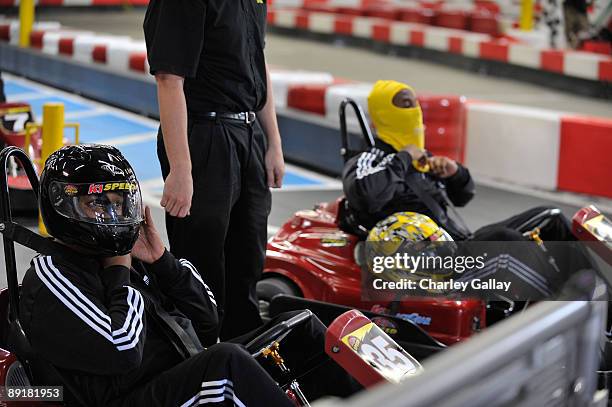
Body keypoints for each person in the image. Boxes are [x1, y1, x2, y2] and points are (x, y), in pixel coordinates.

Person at [19, 145, 356, 407]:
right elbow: (122, 349)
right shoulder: (55, 273)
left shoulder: (127, 256)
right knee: (226, 364)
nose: (112, 215)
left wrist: (162, 261)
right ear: (63, 205)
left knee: (301, 327)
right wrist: (120, 271)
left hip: (177, 373)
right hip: (127, 398)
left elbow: (208, 322)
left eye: (118, 202)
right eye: (98, 204)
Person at [144, 0, 285, 342]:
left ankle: (244, 359)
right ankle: (199, 361)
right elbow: (168, 77)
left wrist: (273, 142)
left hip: (248, 132)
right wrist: (181, 167)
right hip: (205, 134)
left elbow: (258, 62)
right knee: (201, 261)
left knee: (247, 259)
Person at [342, 80, 577, 243]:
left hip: (459, 242)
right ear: (383, 114)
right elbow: (365, 196)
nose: (414, 110)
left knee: (551, 217)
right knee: (508, 241)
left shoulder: (424, 161)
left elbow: (463, 196)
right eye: (405, 104)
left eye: (415, 103)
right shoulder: (371, 159)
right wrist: (404, 157)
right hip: (425, 259)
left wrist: (455, 173)